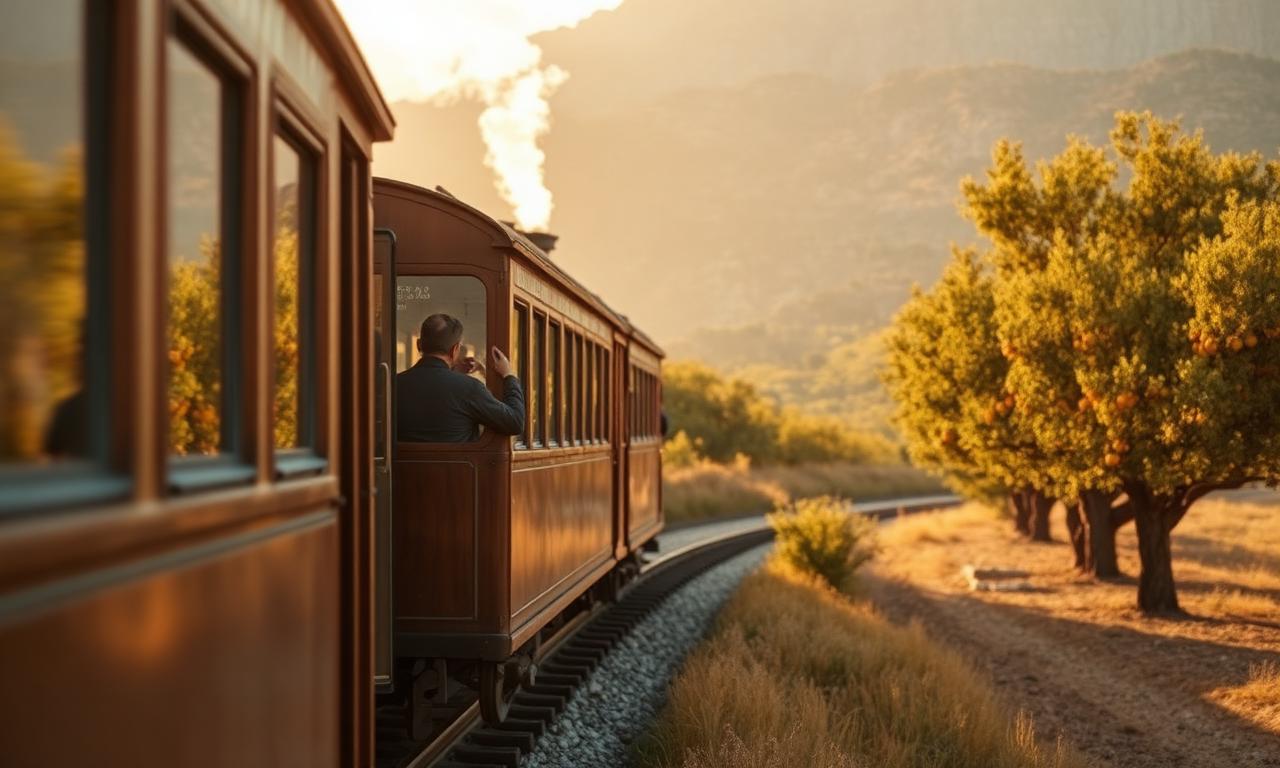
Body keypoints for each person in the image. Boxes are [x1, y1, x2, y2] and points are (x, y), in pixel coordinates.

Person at [397, 313, 525, 442]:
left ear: (418, 345)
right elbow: (515, 422)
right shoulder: (470, 388)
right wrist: (509, 375)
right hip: (457, 463)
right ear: (455, 349)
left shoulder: (394, 384)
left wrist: (454, 372)